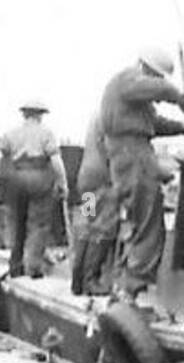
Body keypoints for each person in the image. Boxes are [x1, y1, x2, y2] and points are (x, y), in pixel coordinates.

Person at [99, 46, 184, 299]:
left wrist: (183, 127)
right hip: (108, 177)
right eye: (157, 77)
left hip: (101, 181)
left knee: (107, 224)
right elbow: (157, 91)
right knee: (137, 224)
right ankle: (124, 287)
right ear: (145, 69)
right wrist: (179, 97)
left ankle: (104, 281)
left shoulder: (125, 105)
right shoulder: (127, 80)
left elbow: (152, 124)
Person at [0, 99, 69, 278]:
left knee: (16, 223)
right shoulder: (46, 134)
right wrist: (63, 184)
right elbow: (56, 162)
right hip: (39, 178)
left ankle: (15, 268)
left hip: (15, 180)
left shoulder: (11, 134)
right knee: (38, 225)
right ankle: (32, 267)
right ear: (40, 115)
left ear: (24, 114)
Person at [69, 113, 116, 295]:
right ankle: (91, 280)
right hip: (102, 179)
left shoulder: (95, 118)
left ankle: (77, 279)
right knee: (102, 227)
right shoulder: (112, 118)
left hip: (86, 178)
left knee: (88, 225)